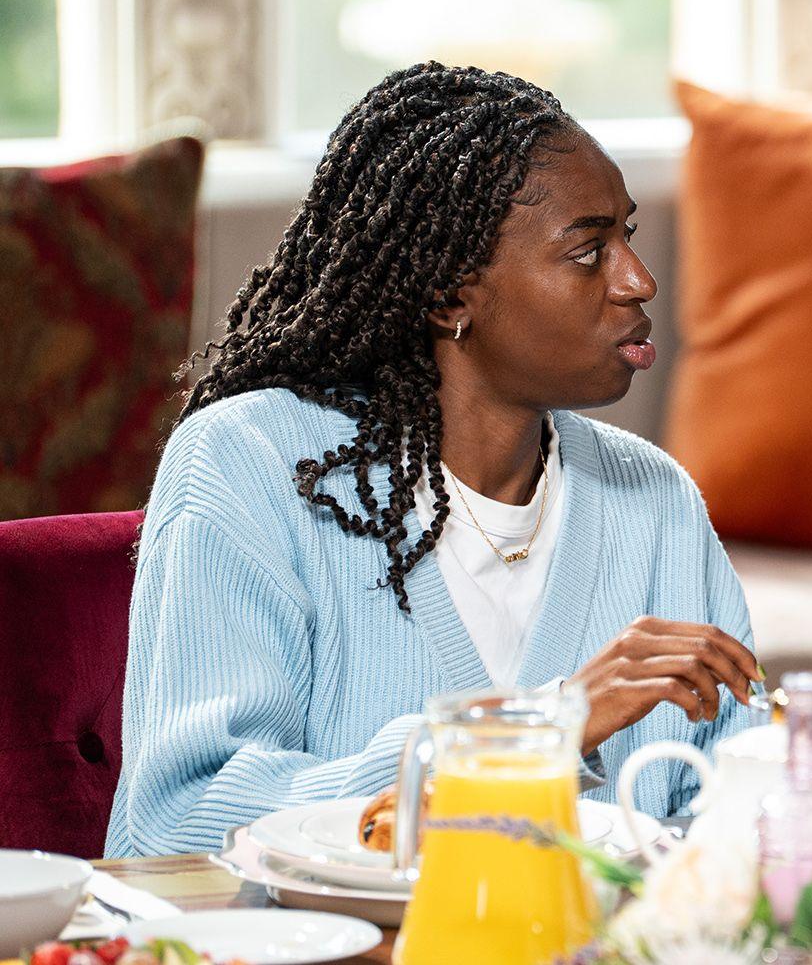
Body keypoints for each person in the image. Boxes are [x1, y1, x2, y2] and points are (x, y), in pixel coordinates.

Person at [107, 64, 759, 857]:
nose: (639, 278)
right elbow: (181, 822)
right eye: (588, 251)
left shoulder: (654, 498)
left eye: (627, 234)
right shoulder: (248, 463)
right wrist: (534, 734)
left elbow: (739, 804)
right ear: (451, 294)